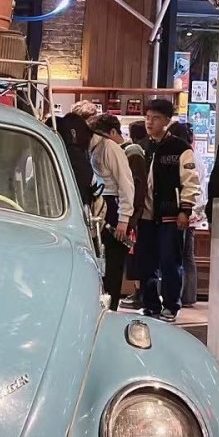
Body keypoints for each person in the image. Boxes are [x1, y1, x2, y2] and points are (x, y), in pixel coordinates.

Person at [136, 99, 201, 323]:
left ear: (167, 120)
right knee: (146, 264)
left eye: (155, 118)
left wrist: (185, 209)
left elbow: (190, 182)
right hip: (145, 215)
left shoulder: (180, 148)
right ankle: (150, 305)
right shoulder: (141, 146)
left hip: (170, 214)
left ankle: (171, 306)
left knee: (170, 262)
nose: (149, 122)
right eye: (147, 118)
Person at [88, 114, 135, 311]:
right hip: (100, 204)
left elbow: (126, 184)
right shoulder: (91, 147)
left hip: (113, 205)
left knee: (113, 261)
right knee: (100, 259)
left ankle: (111, 307)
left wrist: (124, 219)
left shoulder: (110, 148)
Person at [167, 121, 200, 307]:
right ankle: (188, 295)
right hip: (193, 212)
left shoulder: (184, 155)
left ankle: (181, 295)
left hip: (184, 212)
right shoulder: (193, 155)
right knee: (187, 256)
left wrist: (185, 209)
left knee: (181, 256)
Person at [119, 121, 149, 310]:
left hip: (138, 214)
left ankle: (140, 293)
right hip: (139, 212)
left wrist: (132, 215)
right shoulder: (141, 150)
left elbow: (137, 186)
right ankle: (140, 292)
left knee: (137, 255)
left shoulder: (134, 152)